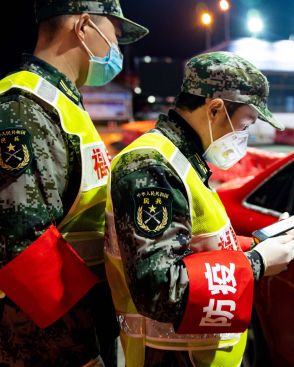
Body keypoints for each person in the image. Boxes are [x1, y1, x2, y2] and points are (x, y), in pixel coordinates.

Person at [105, 51, 294, 367]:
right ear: (215, 109)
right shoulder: (150, 167)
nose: (244, 138)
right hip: (165, 355)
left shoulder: (185, 160)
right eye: (245, 124)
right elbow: (160, 288)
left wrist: (256, 244)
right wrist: (256, 263)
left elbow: (194, 244)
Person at [0, 1, 148, 366]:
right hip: (46, 343)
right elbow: (22, 246)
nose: (118, 50)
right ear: (83, 28)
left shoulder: (60, 101)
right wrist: (81, 352)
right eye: (115, 34)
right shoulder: (24, 107)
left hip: (79, 325)